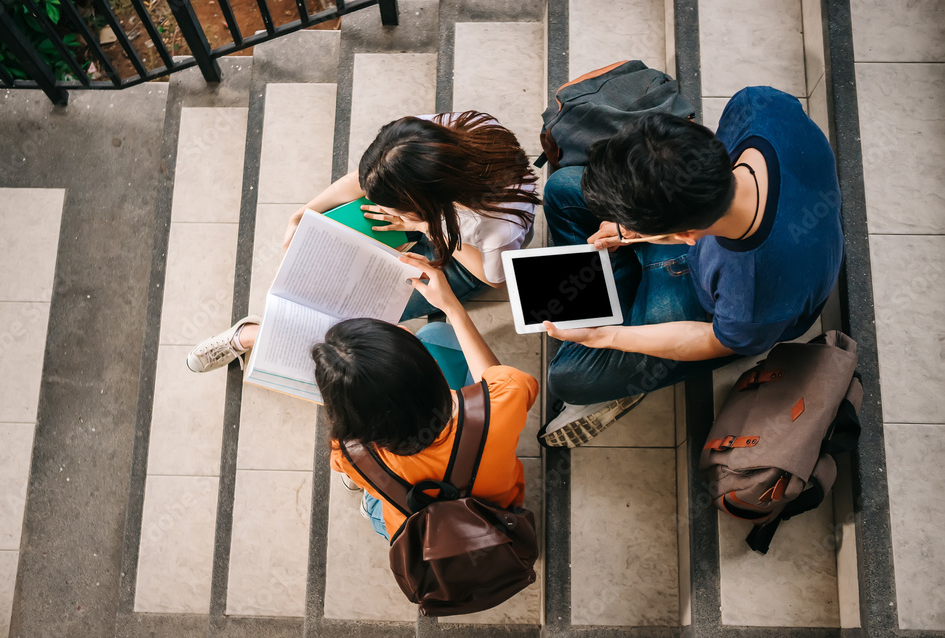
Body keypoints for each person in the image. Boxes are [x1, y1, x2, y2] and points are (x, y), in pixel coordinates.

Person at [538, 86, 843, 447]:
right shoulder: (760, 105)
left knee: (570, 377)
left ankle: (620, 320)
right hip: (709, 237)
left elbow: (717, 340)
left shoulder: (755, 293)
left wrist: (604, 337)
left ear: (684, 233)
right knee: (562, 188)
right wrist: (628, 229)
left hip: (715, 306)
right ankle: (622, 290)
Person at [186, 110, 539, 373]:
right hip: (434, 222)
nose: (379, 205)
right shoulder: (425, 144)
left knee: (356, 319)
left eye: (395, 204)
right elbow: (362, 181)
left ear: (426, 203)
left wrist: (427, 231)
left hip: (462, 259)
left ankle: (252, 335)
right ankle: (263, 331)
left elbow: (493, 276)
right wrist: (304, 214)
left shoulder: (497, 228)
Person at [317, 253, 539, 541]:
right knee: (437, 333)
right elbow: (497, 378)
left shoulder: (347, 452)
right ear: (426, 368)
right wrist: (451, 306)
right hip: (494, 512)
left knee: (378, 498)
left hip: (422, 534)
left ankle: (372, 506)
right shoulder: (501, 402)